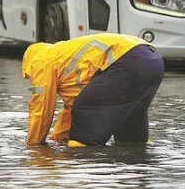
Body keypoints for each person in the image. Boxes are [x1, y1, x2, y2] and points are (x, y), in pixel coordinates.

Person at [21, 33, 165, 147]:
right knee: (131, 140)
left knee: (82, 137)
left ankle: (90, 174)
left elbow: (41, 108)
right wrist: (59, 139)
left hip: (129, 61)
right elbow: (73, 108)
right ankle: (135, 173)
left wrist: (34, 145)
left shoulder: (41, 61)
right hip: (153, 60)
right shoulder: (64, 58)